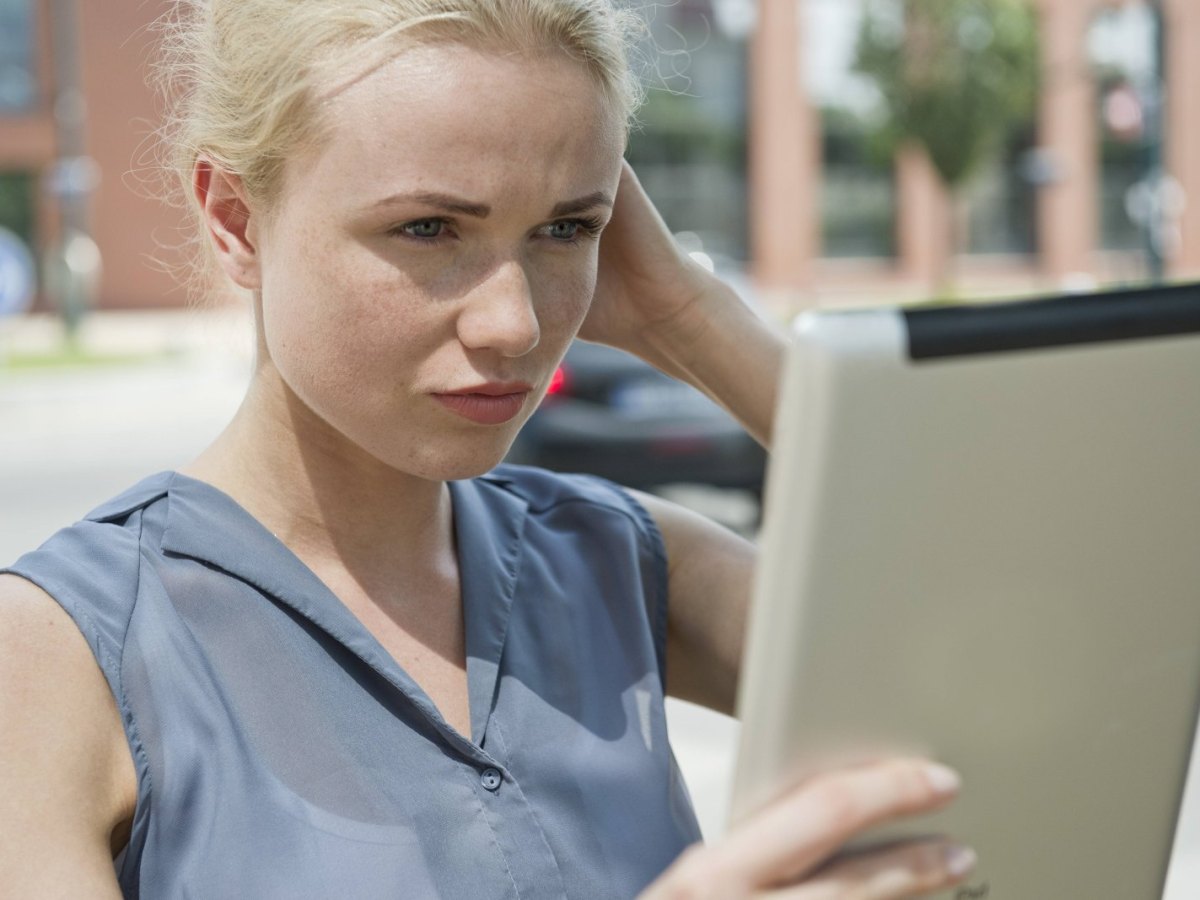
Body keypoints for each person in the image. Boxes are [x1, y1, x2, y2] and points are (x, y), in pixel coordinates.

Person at [0, 1, 976, 897]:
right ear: (234, 217)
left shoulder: (618, 562)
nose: (514, 323)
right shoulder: (59, 653)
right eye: (428, 228)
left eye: (566, 228)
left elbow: (1044, 635)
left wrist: (688, 316)